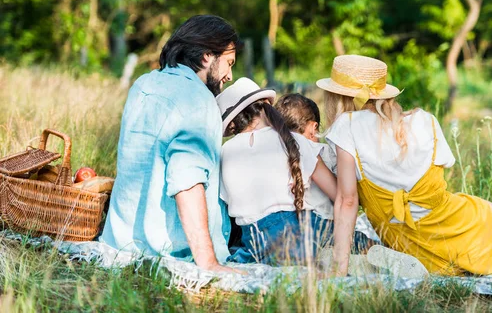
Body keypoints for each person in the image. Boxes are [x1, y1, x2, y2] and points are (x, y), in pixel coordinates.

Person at [317, 55, 492, 277]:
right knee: (474, 208)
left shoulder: (346, 127)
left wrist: (339, 267)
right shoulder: (424, 119)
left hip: (403, 240)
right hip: (449, 230)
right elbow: (440, 172)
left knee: (466, 212)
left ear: (338, 98)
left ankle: (410, 260)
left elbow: (348, 200)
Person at [101, 15, 242, 274]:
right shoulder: (199, 100)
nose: (230, 76)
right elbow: (187, 180)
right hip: (170, 253)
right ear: (206, 56)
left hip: (120, 244)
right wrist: (209, 263)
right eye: (229, 63)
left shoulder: (143, 84)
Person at [217, 78, 337, 265]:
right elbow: (338, 193)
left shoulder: (224, 152)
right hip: (297, 234)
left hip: (253, 242)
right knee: (354, 238)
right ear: (265, 105)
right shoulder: (293, 140)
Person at [274, 93, 379, 253]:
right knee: (368, 245)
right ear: (313, 127)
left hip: (285, 228)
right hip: (321, 223)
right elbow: (342, 194)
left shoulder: (273, 151)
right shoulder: (319, 151)